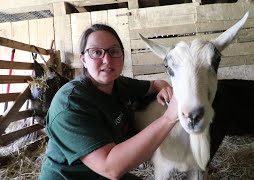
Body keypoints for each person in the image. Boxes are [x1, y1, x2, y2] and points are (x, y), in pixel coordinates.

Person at [38, 24, 178, 180]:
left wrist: (165, 88)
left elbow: (154, 84)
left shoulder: (118, 84)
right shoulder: (70, 104)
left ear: (122, 57)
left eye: (114, 51)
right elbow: (111, 168)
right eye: (96, 52)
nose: (107, 59)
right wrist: (169, 117)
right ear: (84, 60)